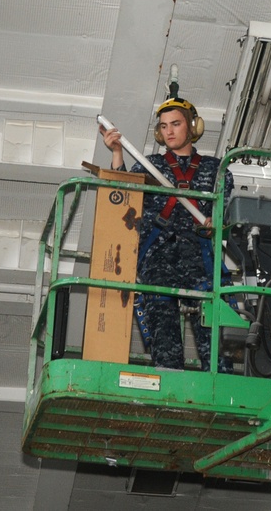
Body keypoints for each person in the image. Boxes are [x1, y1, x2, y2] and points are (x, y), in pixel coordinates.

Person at [100, 96, 233, 372]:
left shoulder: (216, 169)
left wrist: (217, 221)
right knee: (163, 327)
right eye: (163, 126)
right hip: (159, 256)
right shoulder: (149, 166)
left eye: (176, 124)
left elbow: (228, 212)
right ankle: (168, 377)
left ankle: (219, 380)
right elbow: (121, 197)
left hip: (200, 258)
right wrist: (116, 154)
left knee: (211, 326)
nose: (169, 131)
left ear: (192, 127)